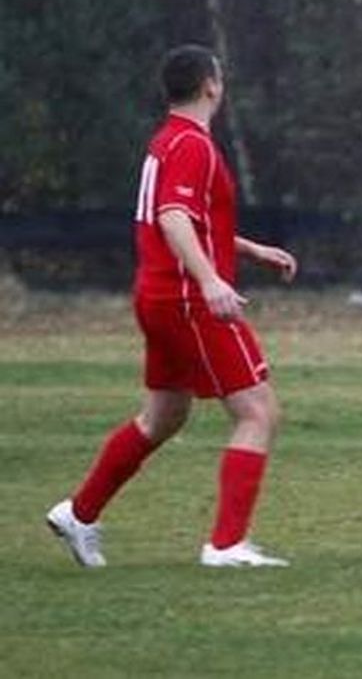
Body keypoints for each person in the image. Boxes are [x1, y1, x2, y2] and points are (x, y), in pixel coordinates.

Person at [46, 45, 298, 568]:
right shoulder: (192, 145)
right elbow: (173, 216)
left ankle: (79, 514)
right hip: (187, 300)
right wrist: (210, 281)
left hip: (157, 295)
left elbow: (189, 217)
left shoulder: (166, 141)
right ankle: (226, 545)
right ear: (211, 86)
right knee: (258, 412)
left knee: (163, 416)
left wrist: (247, 250)